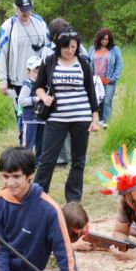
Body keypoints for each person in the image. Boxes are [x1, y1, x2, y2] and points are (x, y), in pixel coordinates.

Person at [0, 147, 80, 271]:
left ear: (30, 175)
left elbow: (64, 252)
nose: (9, 183)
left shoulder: (50, 209)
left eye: (16, 176)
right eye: (5, 176)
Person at [34, 27, 100, 203]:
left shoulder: (84, 64)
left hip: (81, 118)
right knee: (47, 160)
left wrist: (95, 118)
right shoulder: (49, 61)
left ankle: (73, 198)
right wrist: (44, 98)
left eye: (73, 47)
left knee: (78, 160)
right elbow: (38, 87)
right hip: (56, 119)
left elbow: (91, 92)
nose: (70, 50)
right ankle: (38, 195)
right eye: (66, 47)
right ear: (59, 46)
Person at [0, 0, 50, 145]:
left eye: (28, 10)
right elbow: (0, 53)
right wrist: (2, 80)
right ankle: (23, 146)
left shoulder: (39, 22)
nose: (26, 14)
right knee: (23, 115)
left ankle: (40, 150)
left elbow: (49, 45)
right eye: (22, 11)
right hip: (19, 79)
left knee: (41, 113)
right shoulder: (8, 27)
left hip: (40, 78)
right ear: (15, 9)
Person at [88, 28, 123, 129]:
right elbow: (88, 62)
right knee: (96, 101)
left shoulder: (114, 49)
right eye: (102, 39)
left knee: (107, 101)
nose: (104, 41)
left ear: (110, 40)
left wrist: (113, 77)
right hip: (95, 81)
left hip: (108, 81)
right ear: (98, 39)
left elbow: (119, 64)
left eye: (107, 39)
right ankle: (97, 120)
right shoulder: (92, 49)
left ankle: (105, 122)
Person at [17, 56, 45, 162]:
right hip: (29, 119)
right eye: (36, 71)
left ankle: (39, 163)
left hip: (42, 119)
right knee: (27, 143)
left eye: (41, 71)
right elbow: (21, 101)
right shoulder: (28, 85)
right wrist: (35, 99)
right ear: (29, 72)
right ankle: (23, 162)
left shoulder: (44, 84)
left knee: (41, 143)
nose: (39, 74)